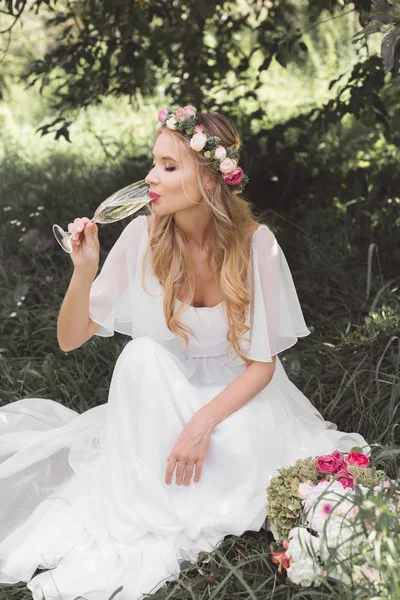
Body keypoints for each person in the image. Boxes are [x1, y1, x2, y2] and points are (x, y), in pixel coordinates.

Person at [0, 106, 369, 600]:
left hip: (237, 399)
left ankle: (186, 482)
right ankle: (162, 494)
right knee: (141, 356)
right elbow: (69, 339)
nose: (151, 176)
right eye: (153, 162)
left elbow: (262, 367)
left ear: (212, 179)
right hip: (163, 396)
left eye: (169, 166)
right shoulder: (142, 235)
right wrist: (84, 269)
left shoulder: (257, 244)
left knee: (234, 449)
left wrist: (201, 425)